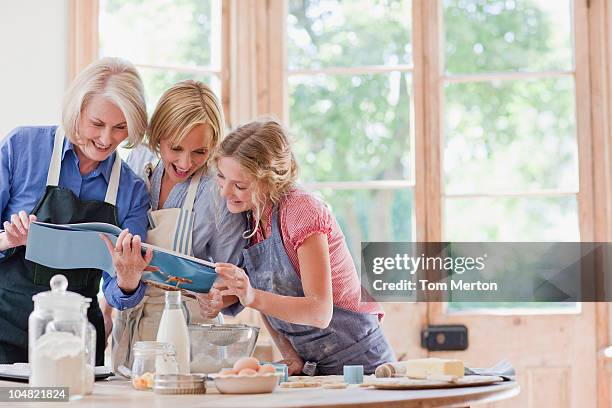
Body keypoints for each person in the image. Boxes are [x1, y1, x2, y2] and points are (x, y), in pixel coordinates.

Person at [205, 120, 396, 375]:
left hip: (363, 364)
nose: (226, 192)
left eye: (240, 185)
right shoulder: (251, 219)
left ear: (270, 181)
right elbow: (265, 298)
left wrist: (252, 296)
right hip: (313, 367)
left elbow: (319, 311)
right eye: (221, 178)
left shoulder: (301, 211)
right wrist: (290, 355)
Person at [0, 58, 153, 365]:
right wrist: (8, 240)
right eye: (97, 124)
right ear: (76, 110)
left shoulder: (131, 190)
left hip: (77, 340)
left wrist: (128, 279)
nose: (107, 138)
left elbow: (120, 293)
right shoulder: (23, 148)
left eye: (120, 127)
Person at [106, 80, 248, 372]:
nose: (185, 162)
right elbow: (119, 252)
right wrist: (107, 310)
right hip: (132, 324)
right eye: (176, 148)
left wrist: (218, 299)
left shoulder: (217, 192)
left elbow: (235, 278)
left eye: (200, 152)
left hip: (189, 334)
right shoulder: (139, 161)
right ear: (158, 137)